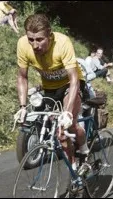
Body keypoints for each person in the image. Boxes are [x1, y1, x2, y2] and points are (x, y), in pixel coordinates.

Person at [15, 14, 89, 173]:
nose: (35, 45)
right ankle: (74, 169)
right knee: (57, 133)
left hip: (71, 84)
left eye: (40, 39)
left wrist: (68, 112)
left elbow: (74, 78)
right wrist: (22, 107)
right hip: (50, 87)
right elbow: (22, 76)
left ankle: (84, 151)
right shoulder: (22, 45)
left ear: (50, 35)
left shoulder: (62, 43)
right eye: (31, 39)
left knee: (67, 127)